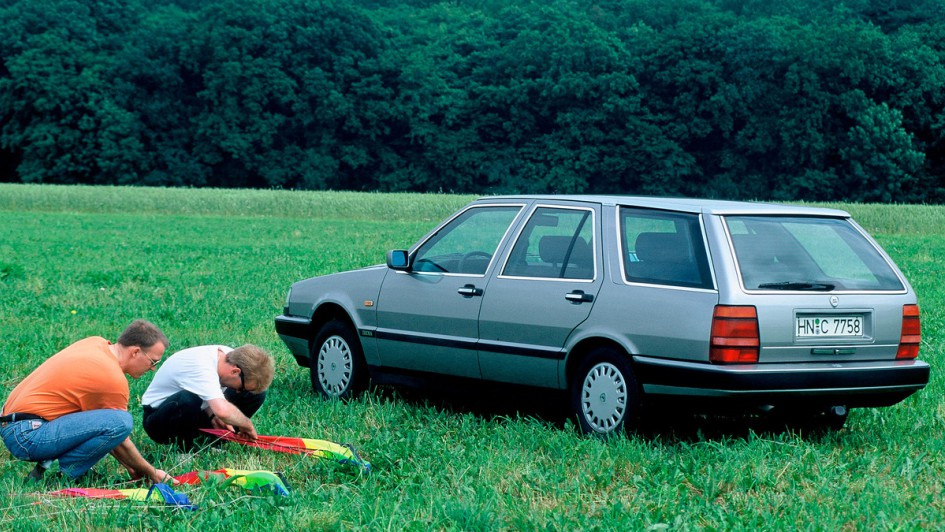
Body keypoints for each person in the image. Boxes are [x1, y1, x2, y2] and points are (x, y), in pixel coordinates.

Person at [1, 320, 173, 483]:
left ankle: (62, 468)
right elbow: (118, 433)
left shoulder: (95, 343)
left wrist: (131, 466)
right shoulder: (112, 378)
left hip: (14, 425)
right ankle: (62, 473)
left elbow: (104, 431)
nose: (152, 369)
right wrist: (152, 472)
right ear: (135, 352)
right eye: (153, 362)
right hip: (27, 436)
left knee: (111, 422)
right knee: (122, 421)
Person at [141, 344, 274, 450]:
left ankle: (213, 441)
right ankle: (183, 451)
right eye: (242, 387)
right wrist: (246, 424)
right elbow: (221, 410)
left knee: (255, 395)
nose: (239, 392)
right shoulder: (202, 366)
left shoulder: (231, 357)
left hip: (195, 411)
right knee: (188, 399)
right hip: (159, 420)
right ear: (235, 371)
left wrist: (213, 415)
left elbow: (209, 395)